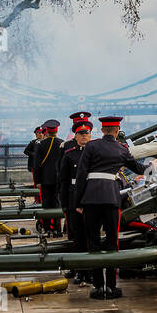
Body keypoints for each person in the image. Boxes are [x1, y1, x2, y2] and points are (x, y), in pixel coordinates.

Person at [74, 116, 145, 299]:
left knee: (94, 242)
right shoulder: (122, 149)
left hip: (90, 198)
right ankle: (112, 287)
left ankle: (98, 287)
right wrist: (153, 166)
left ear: (102, 130)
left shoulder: (91, 146)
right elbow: (138, 168)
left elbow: (81, 174)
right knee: (113, 242)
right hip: (112, 199)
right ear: (117, 130)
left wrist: (78, 201)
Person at [57, 117, 91, 283]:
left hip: (91, 198)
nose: (84, 136)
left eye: (87, 133)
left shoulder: (95, 152)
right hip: (72, 197)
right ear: (75, 136)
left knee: (91, 235)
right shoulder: (69, 154)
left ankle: (90, 269)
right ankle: (78, 269)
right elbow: (63, 181)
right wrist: (64, 204)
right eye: (81, 133)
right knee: (76, 235)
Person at [34, 119, 63, 235]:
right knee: (57, 204)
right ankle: (57, 229)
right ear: (56, 131)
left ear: (47, 131)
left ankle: (47, 229)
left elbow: (37, 165)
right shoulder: (62, 143)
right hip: (58, 179)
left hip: (45, 179)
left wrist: (37, 181)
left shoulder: (41, 144)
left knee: (46, 204)